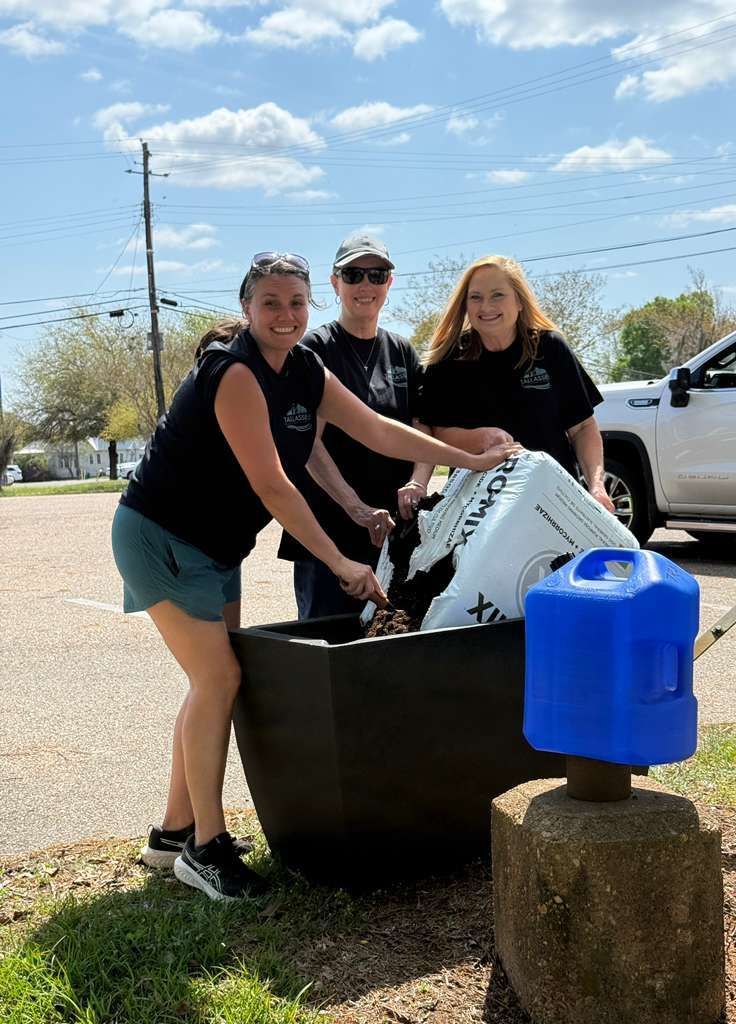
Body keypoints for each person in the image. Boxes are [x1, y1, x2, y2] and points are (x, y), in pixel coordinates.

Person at [111, 252, 517, 901]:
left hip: (215, 547)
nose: (285, 314)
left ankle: (172, 833)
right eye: (270, 302)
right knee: (219, 679)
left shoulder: (303, 368)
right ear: (247, 308)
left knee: (211, 682)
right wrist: (339, 559)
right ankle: (205, 849)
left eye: (296, 302)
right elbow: (274, 485)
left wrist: (464, 454)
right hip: (161, 536)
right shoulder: (235, 372)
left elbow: (380, 431)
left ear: (309, 305)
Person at [278, 232, 433, 619]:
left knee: (390, 641)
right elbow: (308, 445)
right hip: (330, 532)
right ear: (335, 283)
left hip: (394, 533)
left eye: (377, 275)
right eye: (353, 274)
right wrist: (356, 508)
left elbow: (423, 427)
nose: (366, 285)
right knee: (328, 647)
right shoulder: (313, 350)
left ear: (389, 283)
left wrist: (419, 481)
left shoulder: (401, 350)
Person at [419, 255, 615, 512]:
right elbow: (436, 433)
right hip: (477, 506)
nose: (486, 306)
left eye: (497, 295)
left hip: (552, 500)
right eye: (475, 297)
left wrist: (596, 486)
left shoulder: (550, 348)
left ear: (520, 301)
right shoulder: (448, 358)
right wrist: (481, 438)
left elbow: (583, 428)